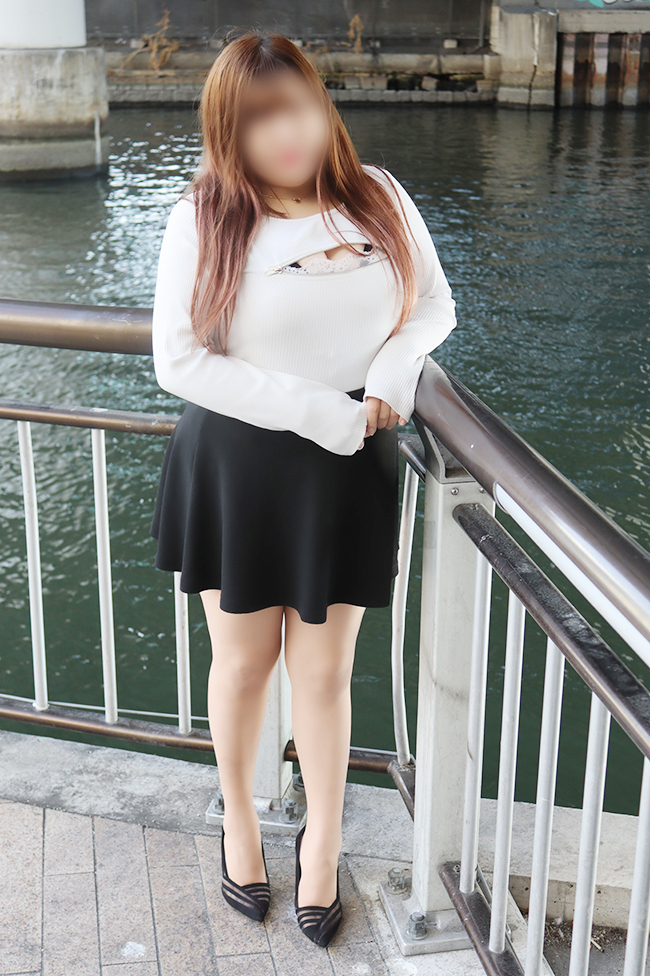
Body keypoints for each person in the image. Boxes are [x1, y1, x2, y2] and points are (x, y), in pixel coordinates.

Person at [149, 27, 457, 948]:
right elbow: (178, 360)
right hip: (239, 463)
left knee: (323, 674)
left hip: (348, 468)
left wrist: (394, 370)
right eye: (257, 120)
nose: (284, 134)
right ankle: (241, 824)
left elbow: (432, 304)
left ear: (323, 107)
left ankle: (321, 843)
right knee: (243, 664)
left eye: (296, 109)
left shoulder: (378, 195)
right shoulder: (204, 213)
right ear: (228, 132)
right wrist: (319, 408)